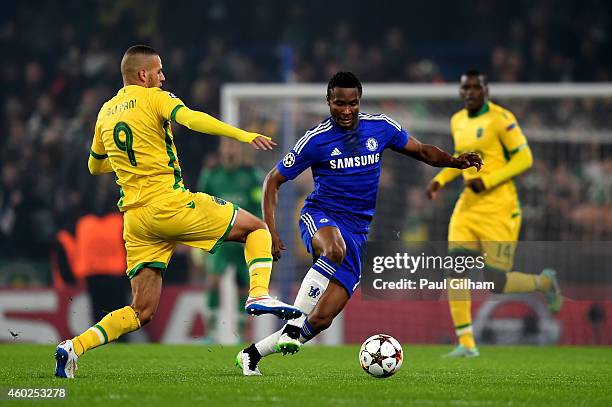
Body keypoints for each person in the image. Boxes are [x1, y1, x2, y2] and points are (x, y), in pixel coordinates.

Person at [54, 45, 301, 378]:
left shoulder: (105, 112)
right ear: (143, 75)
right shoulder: (155, 98)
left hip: (136, 221)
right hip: (169, 203)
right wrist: (242, 135)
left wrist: (130, 162)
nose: (163, 77)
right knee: (257, 230)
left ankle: (73, 348)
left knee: (140, 310)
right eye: (158, 71)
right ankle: (258, 295)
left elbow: (94, 166)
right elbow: (192, 119)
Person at [236, 71, 483, 375]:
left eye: (352, 103)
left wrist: (454, 161)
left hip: (358, 232)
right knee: (334, 249)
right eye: (339, 103)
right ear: (329, 102)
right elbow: (272, 181)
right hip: (320, 215)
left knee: (322, 319)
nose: (347, 111)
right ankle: (292, 327)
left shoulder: (380, 127)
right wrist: (272, 231)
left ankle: (252, 354)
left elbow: (421, 151)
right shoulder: (316, 140)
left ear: (359, 101)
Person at [426, 69, 562, 358]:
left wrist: (487, 180)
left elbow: (525, 158)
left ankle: (544, 282)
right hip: (467, 208)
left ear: (486, 90)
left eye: (476, 87)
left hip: (500, 209)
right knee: (455, 271)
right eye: (466, 88)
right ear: (461, 91)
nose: (471, 92)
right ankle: (466, 343)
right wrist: (440, 180)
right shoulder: (457, 120)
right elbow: (461, 161)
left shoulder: (502, 119)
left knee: (497, 281)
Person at [196, 139, 263, 342]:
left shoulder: (251, 176)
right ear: (221, 149)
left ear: (240, 150)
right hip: (222, 239)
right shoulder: (211, 176)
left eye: (234, 145)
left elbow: (258, 204)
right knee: (214, 282)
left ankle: (241, 334)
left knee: (243, 286)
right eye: (227, 145)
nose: (230, 149)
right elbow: (201, 206)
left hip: (244, 239)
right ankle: (210, 332)